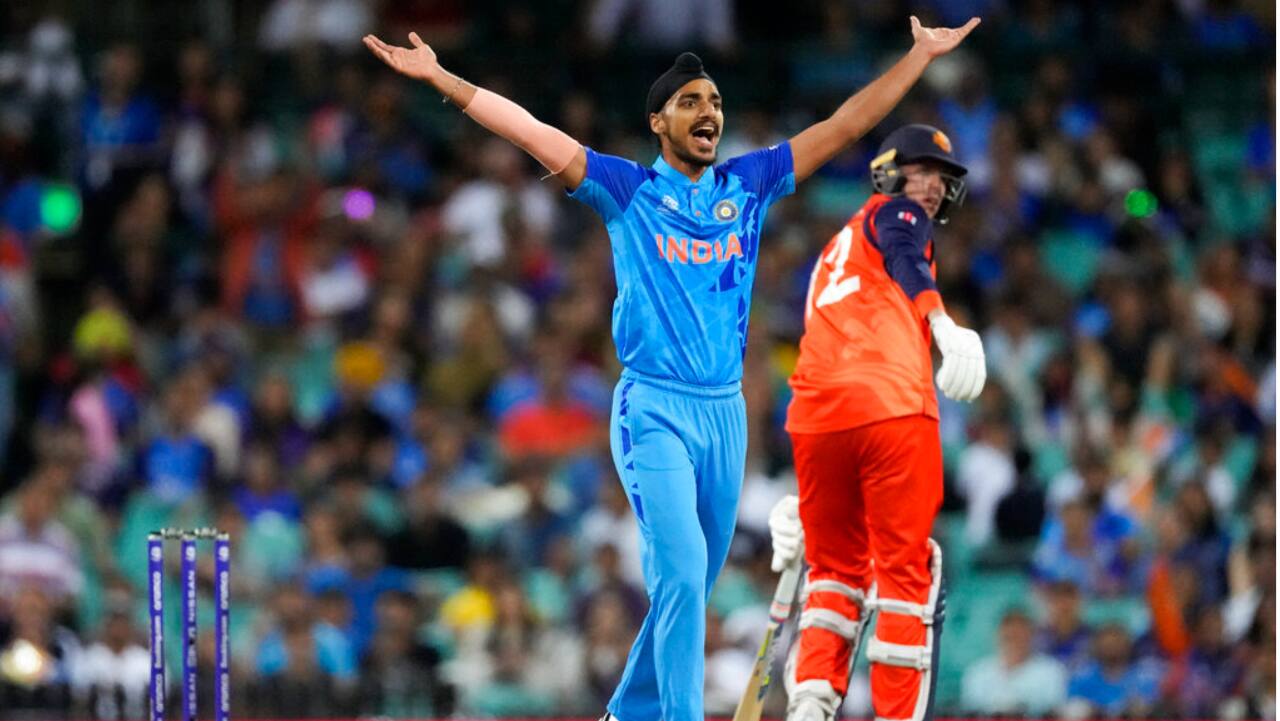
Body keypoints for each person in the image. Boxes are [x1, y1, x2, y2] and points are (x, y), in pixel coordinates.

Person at [363, 16, 980, 721]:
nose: (708, 112)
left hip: (723, 416)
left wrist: (918, 56)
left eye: (714, 101)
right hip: (653, 408)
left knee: (684, 592)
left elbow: (843, 125)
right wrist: (442, 78)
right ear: (658, 121)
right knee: (683, 573)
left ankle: (627, 714)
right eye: (690, 102)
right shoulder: (626, 190)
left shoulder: (748, 184)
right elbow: (530, 130)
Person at [768, 123, 988, 721]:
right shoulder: (897, 216)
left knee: (834, 571)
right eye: (922, 172)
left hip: (815, 422)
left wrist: (806, 497)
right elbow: (905, 253)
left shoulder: (835, 250)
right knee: (905, 572)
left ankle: (811, 703)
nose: (934, 188)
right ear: (889, 173)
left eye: (942, 179)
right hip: (891, 406)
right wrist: (941, 325)